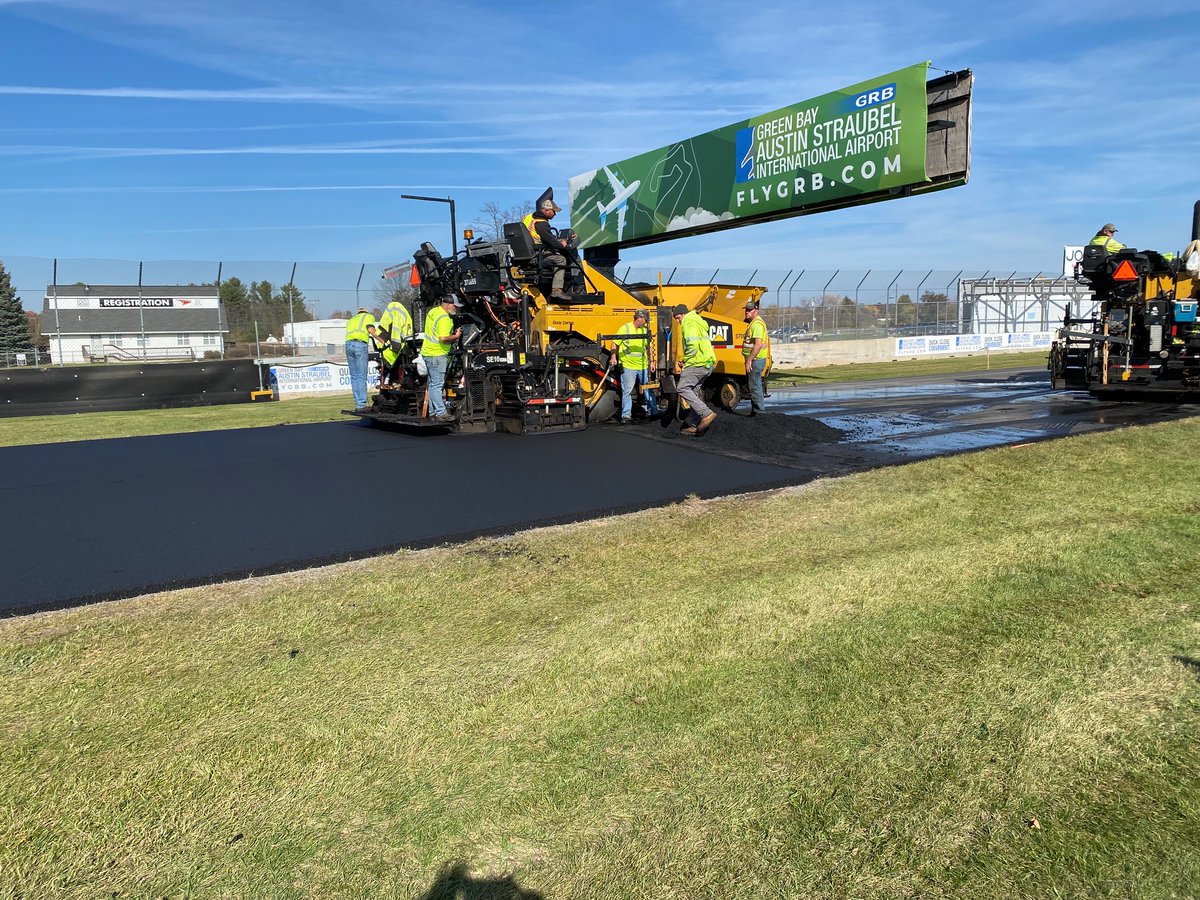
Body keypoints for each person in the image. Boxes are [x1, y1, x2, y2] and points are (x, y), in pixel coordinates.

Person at [671, 304, 717, 435]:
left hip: (697, 363)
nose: (678, 322)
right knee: (694, 392)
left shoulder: (689, 322)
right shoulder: (698, 321)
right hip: (706, 363)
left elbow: (693, 345)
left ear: (684, 314)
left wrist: (686, 359)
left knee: (682, 388)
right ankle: (695, 424)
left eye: (678, 318)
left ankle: (706, 413)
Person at [523, 188, 574, 302]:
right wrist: (562, 244)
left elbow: (542, 237)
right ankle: (557, 290)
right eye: (554, 211)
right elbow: (550, 241)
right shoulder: (541, 223)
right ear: (546, 211)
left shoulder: (529, 218)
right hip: (537, 254)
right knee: (561, 259)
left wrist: (555, 242)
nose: (555, 214)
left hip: (530, 252)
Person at [611, 308, 659, 424]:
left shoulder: (644, 331)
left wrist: (652, 362)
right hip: (628, 366)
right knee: (627, 391)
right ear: (639, 318)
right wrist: (613, 357)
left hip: (642, 366)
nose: (646, 322)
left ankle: (653, 411)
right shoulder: (625, 328)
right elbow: (614, 343)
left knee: (648, 389)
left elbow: (648, 348)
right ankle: (626, 415)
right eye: (645, 320)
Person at [421, 295, 462, 420]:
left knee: (433, 384)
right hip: (437, 354)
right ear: (448, 305)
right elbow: (443, 338)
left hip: (428, 352)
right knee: (437, 385)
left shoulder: (433, 311)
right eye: (454, 306)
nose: (455, 308)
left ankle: (434, 411)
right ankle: (440, 413)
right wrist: (456, 336)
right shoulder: (444, 318)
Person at [344, 306, 379, 410]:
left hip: (348, 345)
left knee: (354, 376)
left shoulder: (351, 320)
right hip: (360, 345)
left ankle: (357, 403)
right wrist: (382, 340)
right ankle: (361, 404)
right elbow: (371, 330)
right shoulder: (368, 317)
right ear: (366, 312)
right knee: (361, 376)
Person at [742, 300, 769, 416]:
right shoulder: (754, 322)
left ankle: (759, 412)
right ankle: (756, 411)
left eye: (749, 310)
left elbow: (758, 344)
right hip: (755, 359)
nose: (746, 312)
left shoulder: (757, 324)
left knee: (754, 386)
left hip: (756, 360)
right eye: (746, 310)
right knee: (754, 385)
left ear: (756, 310)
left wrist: (749, 359)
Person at [378, 297, 414, 384]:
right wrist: (396, 346)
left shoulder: (393, 311)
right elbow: (396, 332)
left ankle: (390, 381)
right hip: (397, 348)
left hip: (386, 348)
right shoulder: (401, 313)